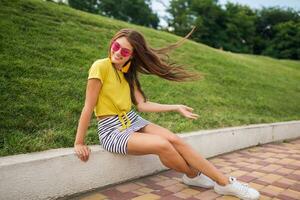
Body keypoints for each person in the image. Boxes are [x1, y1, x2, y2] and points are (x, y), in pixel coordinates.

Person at [74, 28, 260, 200]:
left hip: (131, 119)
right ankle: (193, 175)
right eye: (116, 46)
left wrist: (175, 107)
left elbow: (143, 104)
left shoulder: (127, 73)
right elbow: (88, 107)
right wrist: (79, 142)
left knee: (176, 140)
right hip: (112, 130)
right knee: (163, 145)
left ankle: (224, 183)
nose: (117, 53)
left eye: (125, 52)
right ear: (112, 42)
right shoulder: (100, 66)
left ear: (132, 56)